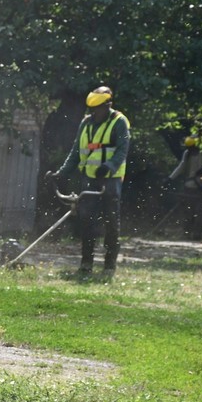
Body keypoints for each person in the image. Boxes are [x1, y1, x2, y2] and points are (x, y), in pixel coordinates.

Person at [50, 85, 131, 277]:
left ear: (108, 105)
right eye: (92, 109)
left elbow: (122, 150)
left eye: (98, 108)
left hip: (110, 180)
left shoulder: (119, 122)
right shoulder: (86, 123)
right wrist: (61, 173)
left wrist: (109, 166)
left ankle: (109, 266)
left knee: (111, 222)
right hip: (89, 179)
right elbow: (76, 152)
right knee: (86, 221)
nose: (95, 112)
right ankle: (86, 263)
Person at [168, 135, 202, 238]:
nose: (192, 150)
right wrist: (170, 178)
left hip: (201, 186)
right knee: (187, 211)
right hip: (188, 186)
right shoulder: (187, 153)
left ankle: (197, 233)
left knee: (200, 212)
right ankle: (186, 232)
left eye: (193, 147)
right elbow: (181, 166)